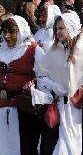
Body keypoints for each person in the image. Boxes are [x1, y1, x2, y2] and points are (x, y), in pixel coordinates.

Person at [36, 11, 83, 154]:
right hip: (59, 109)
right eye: (56, 29)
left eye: (61, 28)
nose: (58, 32)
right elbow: (41, 75)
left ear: (71, 27)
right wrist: (53, 86)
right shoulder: (53, 50)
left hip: (81, 109)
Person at [0, 15, 44, 155]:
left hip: (23, 109)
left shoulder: (33, 50)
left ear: (20, 31)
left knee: (23, 146)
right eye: (4, 31)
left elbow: (43, 78)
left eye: (11, 32)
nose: (7, 36)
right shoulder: (1, 50)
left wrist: (31, 87)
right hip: (1, 107)